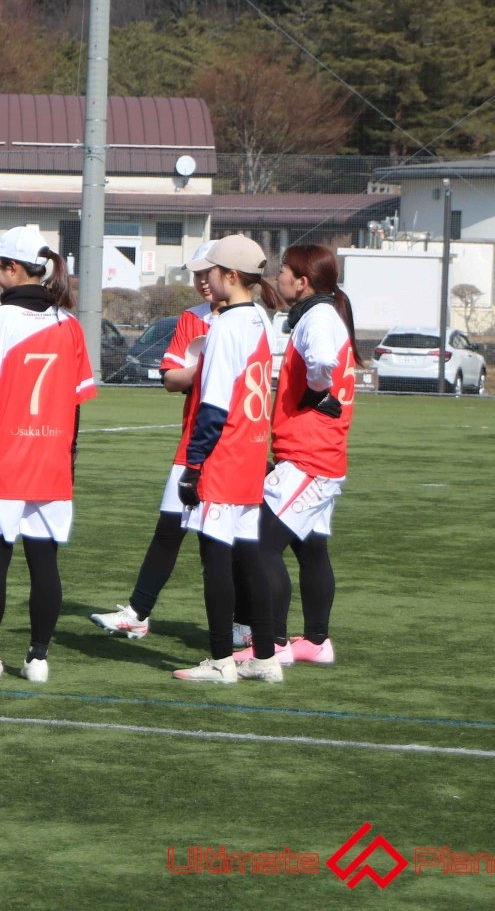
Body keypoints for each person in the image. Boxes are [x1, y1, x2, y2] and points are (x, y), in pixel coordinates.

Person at [0, 226, 94, 682]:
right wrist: (69, 453)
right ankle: (38, 658)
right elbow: (76, 403)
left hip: (4, 455)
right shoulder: (69, 323)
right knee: (44, 561)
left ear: (13, 268)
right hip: (51, 456)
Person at [231, 243, 360, 668]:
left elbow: (322, 363)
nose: (279, 276)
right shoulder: (323, 314)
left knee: (260, 544)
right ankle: (317, 642)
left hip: (309, 457)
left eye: (285, 270)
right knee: (311, 549)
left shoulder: (317, 318)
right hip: (319, 455)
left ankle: (274, 643)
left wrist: (316, 391)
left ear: (302, 282)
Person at [90, 243, 221, 639]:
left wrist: (205, 368)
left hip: (235, 446)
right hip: (194, 441)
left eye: (209, 272)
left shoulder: (251, 320)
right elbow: (171, 378)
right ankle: (138, 611)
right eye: (196, 274)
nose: (202, 281)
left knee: (225, 544)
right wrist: (208, 366)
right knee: (169, 528)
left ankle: (248, 628)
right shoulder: (192, 318)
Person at [171, 234, 284, 684]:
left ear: (230, 276)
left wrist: (194, 464)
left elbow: (214, 404)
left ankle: (221, 659)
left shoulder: (226, 325)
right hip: (251, 453)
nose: (206, 279)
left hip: (225, 455)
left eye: (212, 271)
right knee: (250, 557)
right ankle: (265, 656)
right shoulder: (260, 319)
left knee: (215, 559)